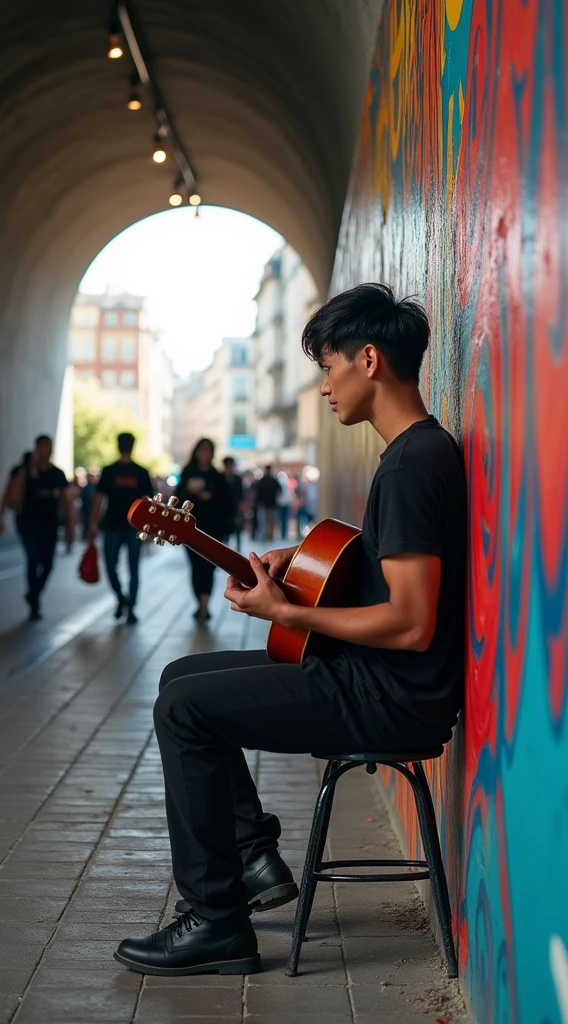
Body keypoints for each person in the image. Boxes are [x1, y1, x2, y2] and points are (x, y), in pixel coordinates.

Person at [114, 283, 466, 978]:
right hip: (383, 682)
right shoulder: (417, 453)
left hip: (393, 695)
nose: (325, 386)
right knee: (179, 678)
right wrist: (302, 563)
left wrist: (288, 612)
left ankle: (216, 921)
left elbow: (412, 621)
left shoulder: (410, 465)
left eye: (328, 366)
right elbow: (394, 565)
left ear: (369, 360)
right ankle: (250, 855)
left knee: (185, 708)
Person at [0, 436, 73, 620]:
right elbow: (8, 494)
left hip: (49, 525)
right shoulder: (21, 471)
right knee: (33, 558)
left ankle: (33, 593)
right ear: (36, 449)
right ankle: (35, 605)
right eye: (42, 447)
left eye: (49, 447)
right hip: (27, 523)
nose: (45, 451)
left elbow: (65, 502)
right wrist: (0, 518)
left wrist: (70, 527)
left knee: (48, 563)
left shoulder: (57, 474)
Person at [87, 433, 153, 625]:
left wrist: (92, 524)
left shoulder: (111, 471)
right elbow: (148, 504)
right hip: (131, 527)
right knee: (133, 569)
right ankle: (128, 604)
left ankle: (123, 601)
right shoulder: (140, 472)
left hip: (114, 526)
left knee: (111, 567)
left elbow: (99, 499)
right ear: (133, 447)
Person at [175, 439, 233, 623]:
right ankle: (200, 602)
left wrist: (211, 497)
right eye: (202, 450)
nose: (205, 454)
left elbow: (227, 501)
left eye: (208, 450)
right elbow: (178, 497)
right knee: (195, 567)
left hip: (213, 529)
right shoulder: (188, 472)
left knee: (208, 568)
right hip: (190, 528)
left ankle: (205, 604)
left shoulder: (216, 476)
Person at [221, 456, 246, 551]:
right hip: (223, 509)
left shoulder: (237, 479)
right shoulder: (220, 478)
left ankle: (238, 548)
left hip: (235, 508)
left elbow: (241, 495)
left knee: (237, 529)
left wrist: (241, 509)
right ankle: (224, 548)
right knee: (224, 530)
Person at [254, 465, 281, 541]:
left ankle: (268, 535)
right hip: (270, 504)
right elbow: (279, 491)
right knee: (270, 521)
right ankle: (270, 536)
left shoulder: (263, 481)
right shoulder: (273, 480)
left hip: (266, 504)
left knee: (267, 521)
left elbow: (257, 493)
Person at [276, 471, 293, 541]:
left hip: (284, 504)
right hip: (282, 504)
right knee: (283, 519)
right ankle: (283, 533)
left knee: (284, 519)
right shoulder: (282, 485)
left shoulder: (285, 485)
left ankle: (284, 533)